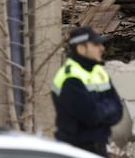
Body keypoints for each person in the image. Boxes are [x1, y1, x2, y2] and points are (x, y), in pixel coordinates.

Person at [52, 26, 123, 157]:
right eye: (95, 44)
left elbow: (119, 110)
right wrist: (107, 107)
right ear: (81, 48)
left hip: (100, 147)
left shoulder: (100, 72)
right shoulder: (70, 77)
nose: (102, 48)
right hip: (75, 150)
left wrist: (100, 109)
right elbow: (90, 117)